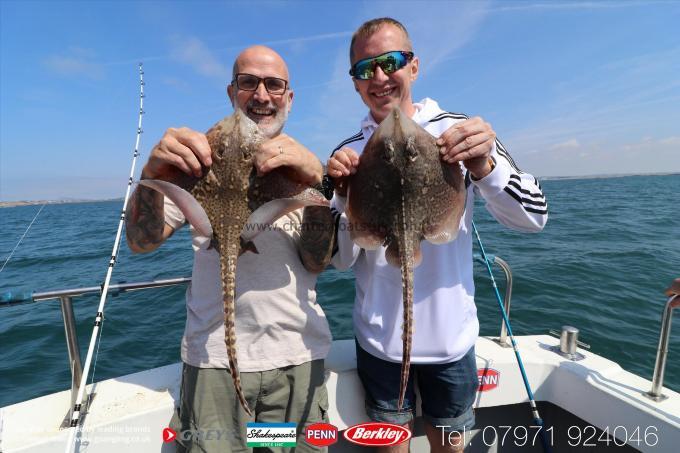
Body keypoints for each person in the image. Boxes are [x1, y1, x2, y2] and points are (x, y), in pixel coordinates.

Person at [326, 18, 548, 453]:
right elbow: (339, 258)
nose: (378, 76)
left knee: (451, 446)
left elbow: (534, 217)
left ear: (414, 66)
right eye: (364, 68)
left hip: (451, 344)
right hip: (380, 346)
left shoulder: (463, 131)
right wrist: (343, 197)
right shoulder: (348, 152)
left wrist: (484, 166)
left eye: (390, 61)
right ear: (353, 82)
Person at [126, 45, 335, 453]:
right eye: (248, 83)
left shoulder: (302, 166)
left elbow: (317, 260)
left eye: (273, 85)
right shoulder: (198, 158)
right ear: (231, 92)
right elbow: (140, 242)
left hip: (297, 362)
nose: (261, 95)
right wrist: (152, 176)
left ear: (288, 97)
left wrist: (318, 185)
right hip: (214, 368)